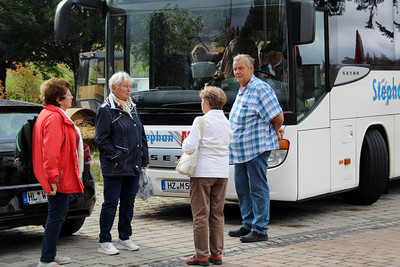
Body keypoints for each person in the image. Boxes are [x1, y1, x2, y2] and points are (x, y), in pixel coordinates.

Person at [228, 54, 284, 243]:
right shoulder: (243, 89)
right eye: (235, 69)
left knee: (257, 188)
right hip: (241, 152)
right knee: (242, 188)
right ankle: (248, 223)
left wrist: (275, 132)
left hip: (256, 149)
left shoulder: (261, 88)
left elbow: (278, 117)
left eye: (241, 68)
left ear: (251, 69)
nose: (237, 72)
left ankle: (260, 229)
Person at [95, 71, 149, 255]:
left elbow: (141, 134)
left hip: (133, 165)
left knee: (128, 203)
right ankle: (104, 239)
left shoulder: (131, 106)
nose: (129, 89)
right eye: (125, 86)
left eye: (130, 86)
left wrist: (145, 157)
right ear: (114, 88)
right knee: (111, 203)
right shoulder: (105, 109)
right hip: (115, 166)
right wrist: (116, 156)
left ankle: (124, 236)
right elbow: (101, 140)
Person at [32, 78, 85, 267]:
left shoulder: (49, 113)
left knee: (56, 215)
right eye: (68, 94)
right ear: (59, 98)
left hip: (60, 175)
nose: (71, 97)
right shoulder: (54, 117)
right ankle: (46, 260)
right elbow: (51, 152)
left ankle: (51, 255)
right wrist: (53, 178)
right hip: (59, 177)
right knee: (56, 216)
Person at [183, 86, 232, 266]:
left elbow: (189, 147)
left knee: (201, 215)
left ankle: (202, 256)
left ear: (208, 103)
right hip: (221, 173)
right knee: (217, 214)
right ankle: (217, 254)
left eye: (202, 101)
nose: (201, 105)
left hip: (202, 174)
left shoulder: (201, 121)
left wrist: (185, 142)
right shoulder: (227, 122)